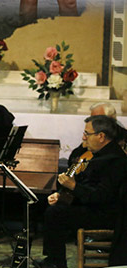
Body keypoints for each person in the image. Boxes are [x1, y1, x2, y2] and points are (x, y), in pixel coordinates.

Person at [42, 115, 127, 268]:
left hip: (108, 215)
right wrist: (62, 197)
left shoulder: (115, 160)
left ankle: (55, 262)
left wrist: (74, 186)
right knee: (53, 208)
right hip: (95, 208)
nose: (83, 137)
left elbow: (102, 196)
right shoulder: (99, 156)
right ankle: (53, 260)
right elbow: (87, 188)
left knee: (55, 214)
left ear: (101, 136)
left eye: (87, 133)